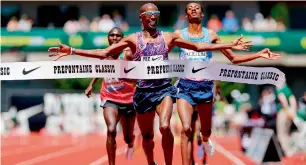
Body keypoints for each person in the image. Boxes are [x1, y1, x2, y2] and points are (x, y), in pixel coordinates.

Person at [48, 3, 267, 165]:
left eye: (156, 14)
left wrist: (231, 44)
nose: (154, 17)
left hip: (164, 89)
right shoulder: (133, 39)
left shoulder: (169, 37)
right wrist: (73, 51)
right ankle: (151, 161)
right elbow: (104, 53)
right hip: (143, 92)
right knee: (147, 136)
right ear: (142, 17)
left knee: (165, 126)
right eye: (149, 14)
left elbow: (199, 47)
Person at [171, 2, 281, 165]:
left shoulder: (212, 35)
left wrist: (258, 55)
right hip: (185, 86)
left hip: (205, 87)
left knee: (205, 131)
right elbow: (160, 49)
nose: (193, 9)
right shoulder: (178, 34)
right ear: (186, 15)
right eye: (189, 8)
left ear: (202, 15)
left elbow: (234, 58)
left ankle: (206, 139)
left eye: (197, 8)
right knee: (186, 128)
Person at [84, 27, 136, 165]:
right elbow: (99, 68)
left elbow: (139, 74)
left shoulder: (128, 54)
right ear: (108, 38)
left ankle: (131, 144)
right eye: (111, 35)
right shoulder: (104, 54)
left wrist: (128, 77)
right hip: (109, 97)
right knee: (111, 130)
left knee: (128, 138)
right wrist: (91, 84)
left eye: (118, 36)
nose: (114, 38)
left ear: (122, 38)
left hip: (129, 98)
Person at [275, 82, 298, 156]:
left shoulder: (280, 89)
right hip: (289, 112)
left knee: (281, 133)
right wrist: (292, 110)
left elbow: (283, 99)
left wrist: (287, 109)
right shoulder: (287, 89)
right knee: (287, 132)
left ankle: (287, 151)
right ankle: (291, 149)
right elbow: (293, 99)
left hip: (283, 112)